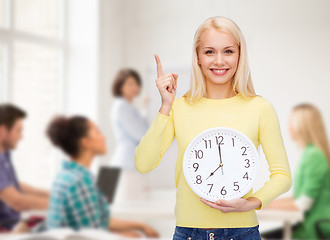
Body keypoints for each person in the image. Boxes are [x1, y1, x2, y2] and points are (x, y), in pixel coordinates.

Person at [135, 16, 292, 239]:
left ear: (239, 55)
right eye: (209, 52)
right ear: (198, 57)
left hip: (242, 232)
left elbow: (282, 175)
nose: (219, 61)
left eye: (228, 51)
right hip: (188, 233)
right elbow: (143, 163)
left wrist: (249, 204)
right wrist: (165, 106)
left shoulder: (260, 108)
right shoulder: (178, 107)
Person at [46, 115, 159, 238]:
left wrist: (140, 226)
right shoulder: (80, 181)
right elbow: (92, 234)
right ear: (86, 142)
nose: (103, 136)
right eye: (97, 132)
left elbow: (100, 222)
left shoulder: (67, 175)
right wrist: (125, 236)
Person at [262, 103, 330, 239]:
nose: (289, 128)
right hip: (308, 225)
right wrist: (262, 203)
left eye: (291, 123)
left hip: (316, 228)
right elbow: (299, 197)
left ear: (303, 127)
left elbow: (302, 204)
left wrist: (260, 205)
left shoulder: (314, 155)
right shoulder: (310, 153)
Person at [0, 104, 49, 232]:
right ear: (3, 131)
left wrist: (51, 194)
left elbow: (12, 185)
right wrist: (61, 204)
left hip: (14, 223)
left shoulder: (5, 155)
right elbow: (17, 202)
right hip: (6, 229)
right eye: (19, 131)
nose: (21, 136)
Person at [110, 69, 149, 202]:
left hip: (125, 166)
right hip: (125, 167)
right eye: (130, 84)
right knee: (131, 214)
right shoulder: (122, 106)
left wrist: (145, 109)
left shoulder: (127, 106)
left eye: (136, 84)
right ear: (120, 86)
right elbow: (141, 134)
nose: (135, 87)